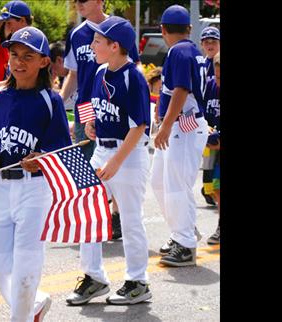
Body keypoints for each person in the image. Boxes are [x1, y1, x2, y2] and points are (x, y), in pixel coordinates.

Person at [0, 26, 71, 322]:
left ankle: (23, 317)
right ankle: (35, 304)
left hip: (35, 189)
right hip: (3, 187)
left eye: (29, 56)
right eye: (14, 55)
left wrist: (42, 161)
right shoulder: (0, 96)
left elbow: (62, 152)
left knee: (26, 266)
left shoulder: (49, 100)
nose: (19, 61)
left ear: (43, 62)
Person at [65, 16, 152, 306]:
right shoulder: (102, 70)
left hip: (128, 154)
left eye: (98, 41)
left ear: (115, 46)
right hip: (103, 149)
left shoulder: (133, 76)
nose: (92, 45)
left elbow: (139, 125)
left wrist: (116, 162)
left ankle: (138, 281)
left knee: (129, 219)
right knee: (88, 212)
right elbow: (96, 106)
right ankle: (95, 277)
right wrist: (92, 126)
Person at [61, 0, 141, 243]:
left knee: (114, 156)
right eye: (75, 1)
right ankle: (90, 214)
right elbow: (73, 74)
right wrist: (59, 101)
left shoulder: (118, 28)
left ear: (99, 1)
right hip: (86, 104)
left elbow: (132, 63)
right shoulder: (77, 34)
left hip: (113, 103)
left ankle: (116, 215)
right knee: (88, 159)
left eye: (83, 0)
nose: (78, 4)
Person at [150, 5, 209, 267]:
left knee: (176, 185)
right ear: (189, 28)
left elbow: (182, 90)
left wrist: (165, 124)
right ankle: (184, 231)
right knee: (160, 183)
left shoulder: (179, 50)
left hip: (184, 125)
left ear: (163, 29)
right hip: (181, 124)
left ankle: (185, 243)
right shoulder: (189, 49)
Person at [199, 26, 220, 205]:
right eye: (207, 42)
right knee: (208, 159)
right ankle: (207, 189)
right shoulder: (201, 65)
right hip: (209, 118)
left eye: (214, 41)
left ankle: (212, 189)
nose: (210, 45)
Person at [204, 52, 220, 244]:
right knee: (215, 187)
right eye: (217, 76)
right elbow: (203, 112)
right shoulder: (210, 86)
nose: (219, 81)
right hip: (213, 144)